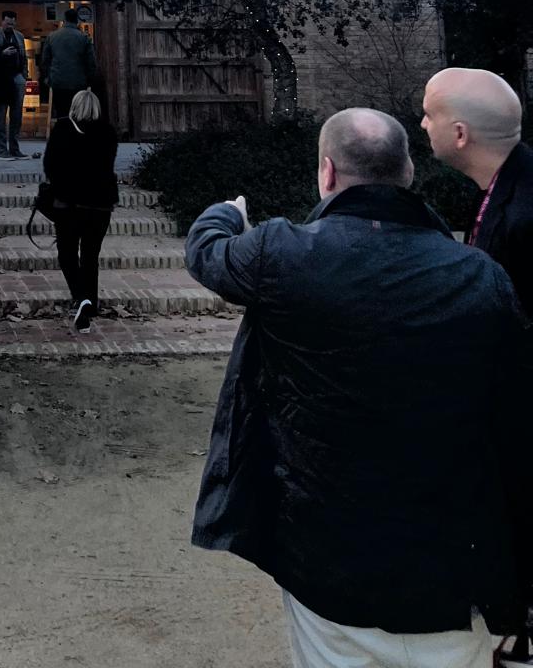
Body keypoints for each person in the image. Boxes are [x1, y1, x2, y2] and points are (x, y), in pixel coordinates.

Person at [187, 106, 533, 668]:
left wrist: (226, 212)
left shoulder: (283, 254)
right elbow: (516, 421)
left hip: (328, 559)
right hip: (451, 568)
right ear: (408, 173)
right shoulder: (479, 276)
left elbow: (207, 254)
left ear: (326, 172)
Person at [423, 65, 533, 313]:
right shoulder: (505, 183)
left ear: (460, 134)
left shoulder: (523, 216)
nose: (423, 124)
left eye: (429, 115)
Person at [42, 88, 118, 332]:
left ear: (74, 106)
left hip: (69, 204)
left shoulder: (63, 129)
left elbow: (49, 165)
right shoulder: (108, 133)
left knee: (67, 253)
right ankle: (90, 302)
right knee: (90, 255)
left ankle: (81, 297)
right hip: (100, 204)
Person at [0, 9, 29, 160]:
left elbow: (23, 57)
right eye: (8, 23)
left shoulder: (19, 36)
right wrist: (2, 53)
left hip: (16, 77)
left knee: (17, 115)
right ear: (2, 21)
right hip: (0, 79)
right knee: (1, 115)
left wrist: (24, 75)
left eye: (12, 24)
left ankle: (14, 149)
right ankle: (2, 150)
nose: (10, 26)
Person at [38, 9, 98, 118]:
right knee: (77, 113)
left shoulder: (52, 36)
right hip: (79, 82)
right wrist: (90, 80)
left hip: (58, 81)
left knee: (61, 112)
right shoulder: (84, 37)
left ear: (64, 20)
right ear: (77, 21)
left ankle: (63, 127)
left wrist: (47, 78)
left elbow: (45, 60)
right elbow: (91, 62)